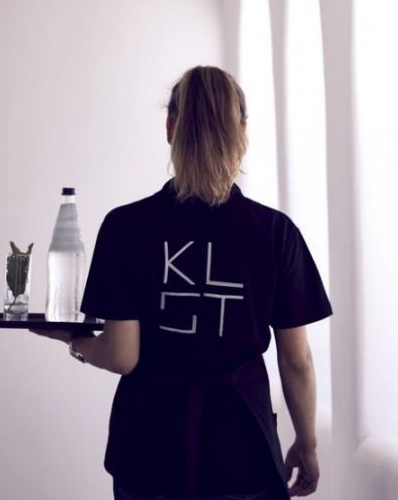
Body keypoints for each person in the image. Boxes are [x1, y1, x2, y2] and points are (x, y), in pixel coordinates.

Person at [30, 65, 333, 500]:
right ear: (242, 133)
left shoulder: (126, 227)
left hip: (149, 451)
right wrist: (307, 444)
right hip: (243, 453)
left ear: (171, 128)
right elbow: (297, 361)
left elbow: (121, 355)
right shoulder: (275, 233)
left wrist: (75, 341)